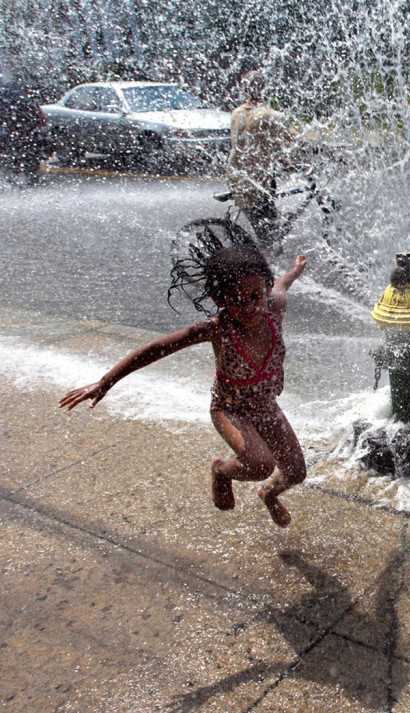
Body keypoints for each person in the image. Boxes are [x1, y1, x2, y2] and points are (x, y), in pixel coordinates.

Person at [59, 238, 309, 528]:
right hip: (230, 409)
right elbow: (156, 348)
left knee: (295, 472)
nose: (251, 307)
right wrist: (105, 382)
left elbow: (282, 284)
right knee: (260, 463)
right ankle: (221, 471)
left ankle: (268, 494)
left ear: (264, 288)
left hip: (265, 405)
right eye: (238, 301)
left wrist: (295, 270)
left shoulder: (273, 307)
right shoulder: (217, 329)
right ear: (220, 300)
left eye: (256, 296)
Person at [227, 70, 297, 248]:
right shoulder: (270, 115)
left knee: (262, 226)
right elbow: (288, 145)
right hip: (260, 181)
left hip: (238, 177)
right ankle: (268, 268)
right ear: (265, 88)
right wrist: (291, 164)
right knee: (269, 233)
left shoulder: (236, 113)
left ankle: (266, 255)